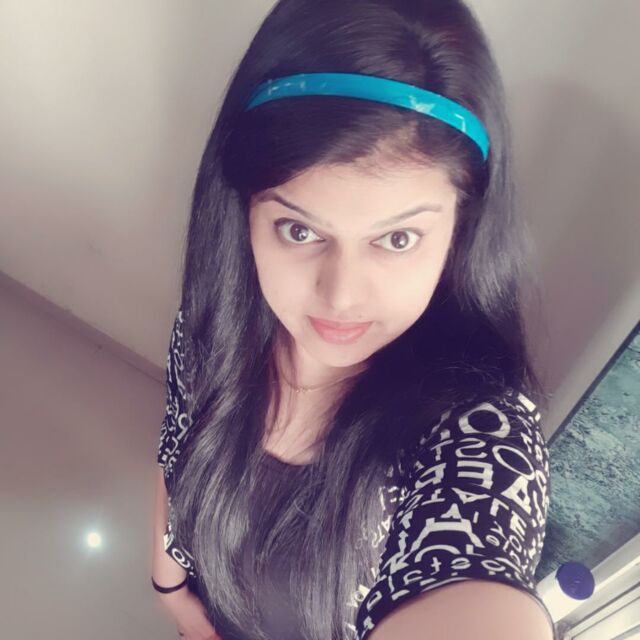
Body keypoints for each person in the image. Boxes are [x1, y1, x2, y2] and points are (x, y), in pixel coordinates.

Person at [151, 1, 556, 639]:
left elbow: (476, 576)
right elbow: (176, 452)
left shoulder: (477, 434)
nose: (340, 297)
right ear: (244, 210)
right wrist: (174, 595)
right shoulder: (213, 328)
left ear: (461, 231)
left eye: (396, 239)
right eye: (298, 229)